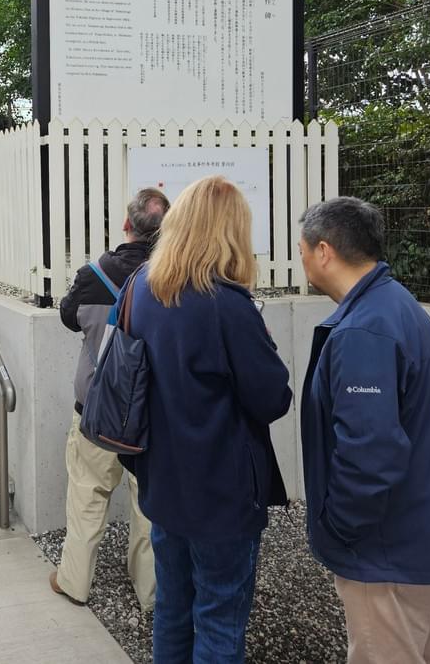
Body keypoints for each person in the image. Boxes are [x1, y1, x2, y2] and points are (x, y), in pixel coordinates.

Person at [298, 196, 430, 664]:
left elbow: (370, 451)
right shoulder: (391, 303)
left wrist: (341, 528)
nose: (303, 258)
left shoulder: (364, 330)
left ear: (324, 251)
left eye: (303, 249)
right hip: (411, 531)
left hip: (384, 544)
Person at [122, 176, 291, 664]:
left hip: (162, 480)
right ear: (230, 231)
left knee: (174, 607)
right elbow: (271, 398)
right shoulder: (227, 303)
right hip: (221, 490)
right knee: (219, 614)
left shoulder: (142, 288)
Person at [50, 187, 168, 613]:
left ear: (125, 224)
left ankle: (74, 581)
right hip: (152, 414)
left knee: (86, 495)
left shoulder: (95, 273)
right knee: (149, 504)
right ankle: (150, 592)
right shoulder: (172, 278)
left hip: (97, 409)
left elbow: (68, 316)